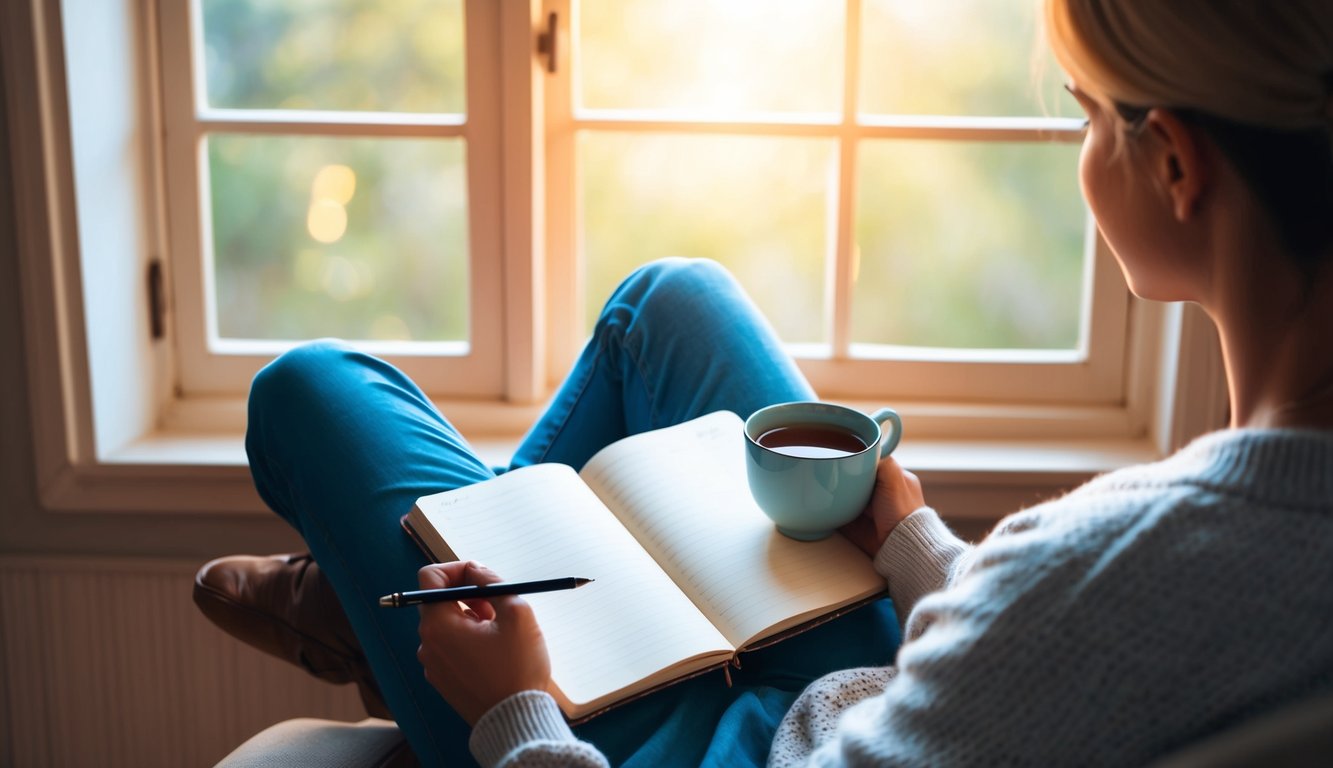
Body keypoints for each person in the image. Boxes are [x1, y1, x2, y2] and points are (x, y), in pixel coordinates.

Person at [245, 1, 1333, 765]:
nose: (1082, 145)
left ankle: (387, 618)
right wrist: (912, 546)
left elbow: (1068, 624)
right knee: (670, 303)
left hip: (715, 752)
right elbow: (1054, 660)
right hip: (882, 690)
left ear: (1178, 167)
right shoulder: (1174, 558)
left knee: (306, 390)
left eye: (1091, 115)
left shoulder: (1125, 554)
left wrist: (517, 714)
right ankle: (397, 603)